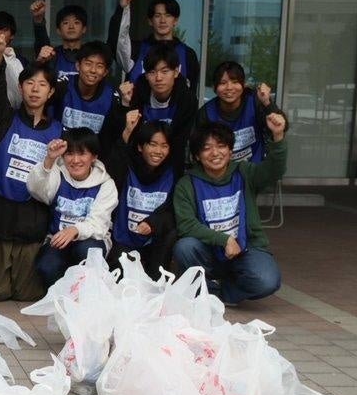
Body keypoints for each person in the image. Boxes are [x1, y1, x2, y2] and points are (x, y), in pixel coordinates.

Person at [173, 114, 288, 305]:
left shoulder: (244, 172)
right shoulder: (187, 184)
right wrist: (224, 239)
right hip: (208, 250)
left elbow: (273, 170)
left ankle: (222, 293)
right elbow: (186, 225)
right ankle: (205, 290)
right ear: (196, 156)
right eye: (207, 148)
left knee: (267, 281)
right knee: (184, 247)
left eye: (221, 146)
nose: (215, 153)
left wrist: (278, 137)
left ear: (230, 150)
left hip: (246, 248)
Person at [0, 42, 61, 302]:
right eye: (30, 83)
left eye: (42, 84)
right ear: (20, 87)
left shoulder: (59, 131)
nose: (35, 89)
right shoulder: (5, 119)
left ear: (51, 93)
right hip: (1, 214)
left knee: (27, 294)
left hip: (34, 217)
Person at [26, 128, 119, 287]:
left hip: (91, 240)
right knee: (47, 265)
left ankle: (87, 300)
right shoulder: (58, 174)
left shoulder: (106, 184)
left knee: (87, 252)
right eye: (69, 154)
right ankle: (61, 302)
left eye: (82, 154)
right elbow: (35, 190)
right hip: (58, 238)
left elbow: (99, 224)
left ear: (94, 157)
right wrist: (49, 160)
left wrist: (74, 230)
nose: (75, 160)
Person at [106, 113, 179, 279]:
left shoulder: (172, 174)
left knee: (171, 234)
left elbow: (172, 211)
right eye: (152, 144)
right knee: (121, 280)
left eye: (164, 146)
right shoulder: (127, 167)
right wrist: (126, 132)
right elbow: (114, 164)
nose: (158, 151)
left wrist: (152, 223)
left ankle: (156, 278)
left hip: (155, 241)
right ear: (140, 147)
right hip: (124, 238)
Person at [124, 45, 197, 163]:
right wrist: (125, 104)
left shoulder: (187, 100)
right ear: (146, 75)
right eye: (152, 72)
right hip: (138, 160)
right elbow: (131, 138)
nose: (158, 78)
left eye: (165, 71)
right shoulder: (137, 95)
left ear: (176, 72)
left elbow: (180, 143)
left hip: (172, 161)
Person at [198, 62, 282, 163]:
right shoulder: (206, 113)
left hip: (254, 171)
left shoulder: (254, 102)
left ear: (244, 85)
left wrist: (267, 102)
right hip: (220, 174)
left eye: (235, 82)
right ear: (214, 88)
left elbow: (281, 128)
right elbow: (198, 149)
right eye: (223, 83)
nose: (229, 87)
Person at [114, 0, 201, 87]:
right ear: (150, 21)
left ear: (175, 20)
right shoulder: (135, 49)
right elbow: (117, 42)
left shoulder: (188, 54)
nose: (163, 20)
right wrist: (122, 9)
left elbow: (191, 95)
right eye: (157, 15)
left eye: (168, 15)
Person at [52, 41, 124, 147]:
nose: (93, 70)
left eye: (99, 66)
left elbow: (110, 138)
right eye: (88, 64)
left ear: (105, 72)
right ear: (78, 65)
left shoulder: (112, 96)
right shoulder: (63, 85)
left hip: (92, 157)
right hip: (59, 149)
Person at [30, 2, 99, 84]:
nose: (71, 27)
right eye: (66, 23)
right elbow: (41, 42)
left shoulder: (92, 56)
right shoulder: (51, 55)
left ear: (84, 29)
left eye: (76, 22)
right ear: (58, 30)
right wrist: (38, 20)